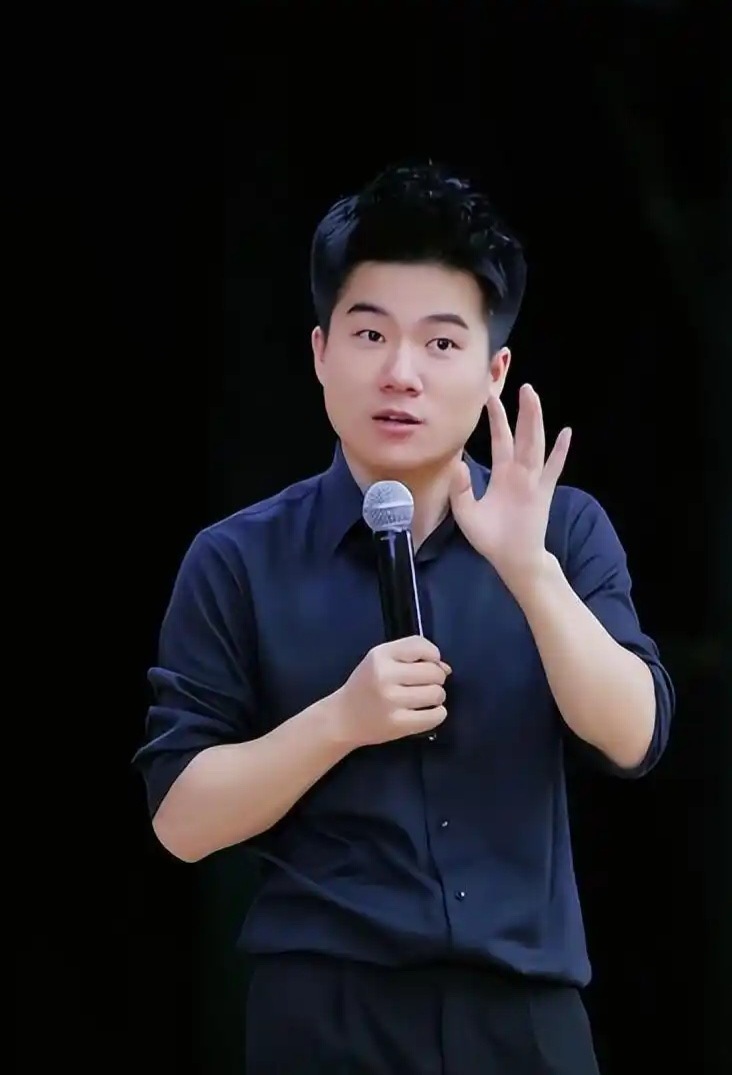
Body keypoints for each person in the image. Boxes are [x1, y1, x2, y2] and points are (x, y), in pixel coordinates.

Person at [132, 161, 675, 1074]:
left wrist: (529, 572)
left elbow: (635, 735)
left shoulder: (563, 529)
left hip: (525, 1017)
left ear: (495, 369)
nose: (400, 373)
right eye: (370, 333)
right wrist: (340, 720)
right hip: (324, 1018)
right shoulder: (236, 558)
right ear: (320, 352)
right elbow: (181, 821)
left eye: (441, 342)